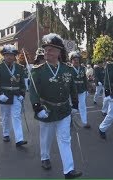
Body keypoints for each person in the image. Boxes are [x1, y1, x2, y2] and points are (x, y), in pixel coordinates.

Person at [29, 33, 82, 179]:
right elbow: (33, 91)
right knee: (46, 137)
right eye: (45, 49)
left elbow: (72, 88)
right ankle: (45, 157)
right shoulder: (37, 71)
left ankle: (69, 170)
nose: (47, 52)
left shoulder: (67, 69)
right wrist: (37, 107)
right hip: (47, 110)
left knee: (65, 139)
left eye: (51, 49)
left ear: (59, 52)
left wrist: (75, 104)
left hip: (64, 109)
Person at [0, 45, 28, 146]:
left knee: (16, 116)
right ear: (4, 56)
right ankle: (6, 133)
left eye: (11, 55)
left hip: (16, 95)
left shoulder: (19, 68)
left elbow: (22, 83)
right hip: (5, 95)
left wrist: (22, 93)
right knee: (6, 116)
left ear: (14, 56)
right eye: (7, 55)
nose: (9, 57)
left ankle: (19, 139)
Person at [69, 51, 90, 128]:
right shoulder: (69, 68)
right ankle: (70, 120)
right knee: (71, 106)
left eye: (77, 59)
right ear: (71, 60)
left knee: (82, 106)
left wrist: (87, 89)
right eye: (74, 59)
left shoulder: (82, 68)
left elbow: (84, 79)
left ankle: (84, 122)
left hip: (81, 90)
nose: (76, 61)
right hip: (72, 91)